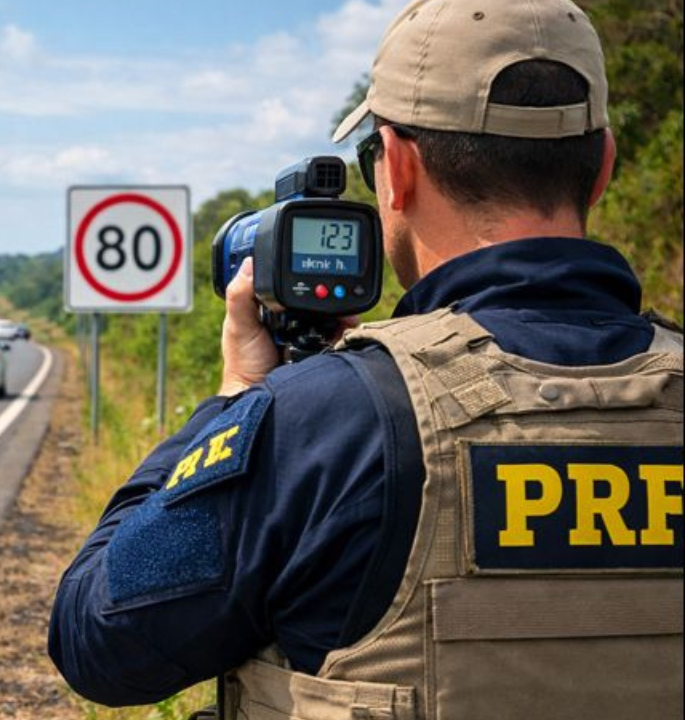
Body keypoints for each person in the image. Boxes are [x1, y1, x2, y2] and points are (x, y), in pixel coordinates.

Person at [48, 1, 683, 719]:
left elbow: (97, 641)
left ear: (397, 170)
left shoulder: (324, 422)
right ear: (601, 166)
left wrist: (232, 403)